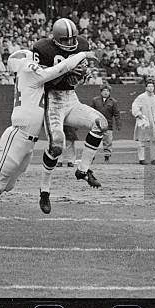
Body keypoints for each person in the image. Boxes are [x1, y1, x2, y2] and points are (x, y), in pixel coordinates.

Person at [0, 49, 94, 241]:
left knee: (4, 186)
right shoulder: (29, 71)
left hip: (29, 141)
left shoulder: (30, 76)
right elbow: (58, 69)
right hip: (18, 136)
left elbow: (59, 79)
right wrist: (81, 55)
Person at [33, 18, 108, 189]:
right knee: (57, 146)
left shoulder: (81, 45)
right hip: (52, 100)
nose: (70, 42)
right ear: (56, 39)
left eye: (72, 38)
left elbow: (78, 79)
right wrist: (67, 71)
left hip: (71, 98)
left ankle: (83, 170)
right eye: (65, 39)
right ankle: (44, 188)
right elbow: (44, 81)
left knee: (100, 124)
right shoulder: (42, 48)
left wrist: (82, 75)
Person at [131, 81, 155, 165]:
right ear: (146, 88)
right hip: (143, 122)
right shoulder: (141, 97)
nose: (150, 88)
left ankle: (154, 159)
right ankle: (141, 159)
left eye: (152, 86)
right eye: (149, 86)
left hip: (152, 122)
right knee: (142, 140)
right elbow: (135, 107)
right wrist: (139, 115)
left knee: (154, 140)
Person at [90, 84, 121, 163]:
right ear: (101, 92)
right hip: (96, 125)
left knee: (108, 142)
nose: (106, 92)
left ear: (110, 92)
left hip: (108, 125)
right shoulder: (95, 100)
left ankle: (107, 157)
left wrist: (118, 124)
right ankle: (91, 157)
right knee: (94, 141)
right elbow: (91, 112)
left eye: (107, 91)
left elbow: (116, 114)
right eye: (104, 90)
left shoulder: (113, 102)